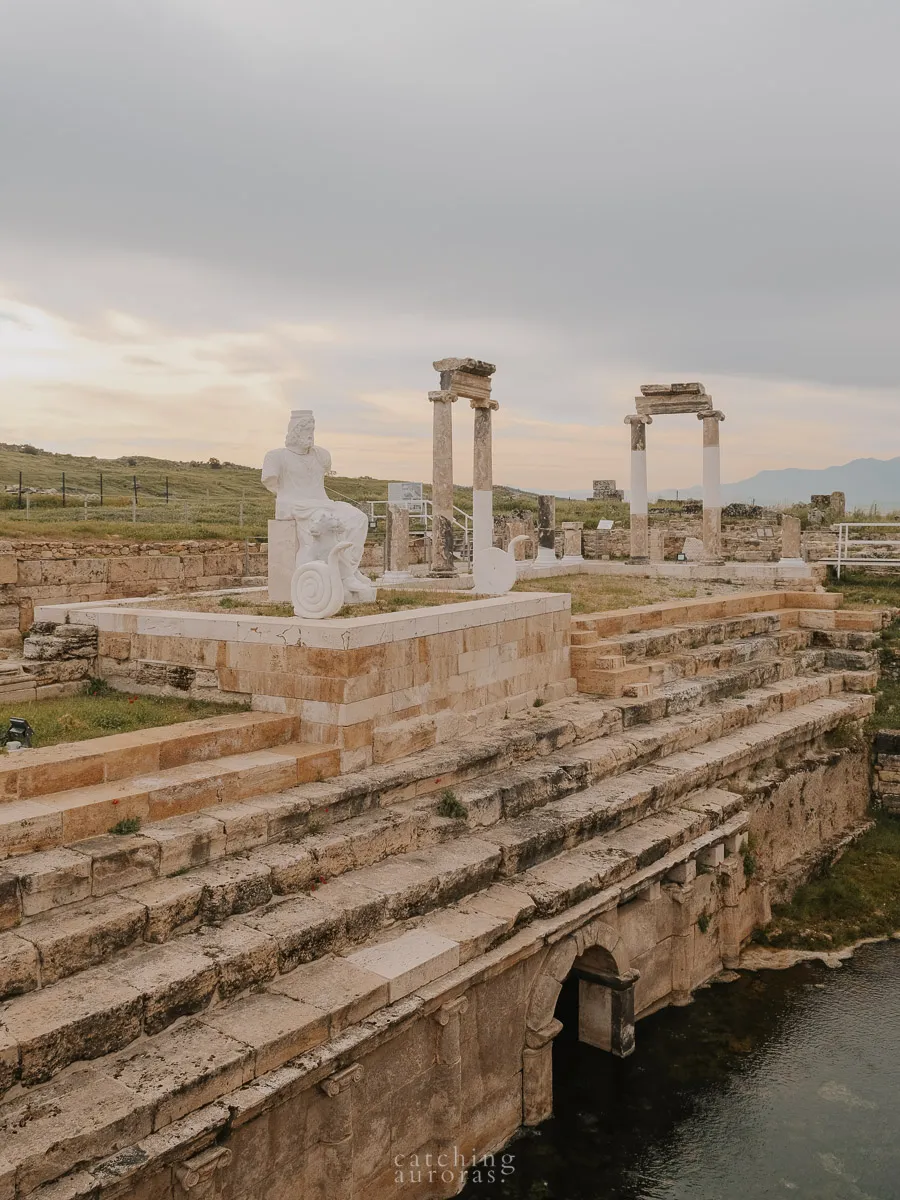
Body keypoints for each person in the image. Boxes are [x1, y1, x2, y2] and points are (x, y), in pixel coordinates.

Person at [262, 410, 375, 601]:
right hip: (295, 503)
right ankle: (343, 576)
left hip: (322, 502)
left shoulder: (321, 455)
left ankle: (349, 570)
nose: (310, 434)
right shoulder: (276, 457)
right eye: (306, 430)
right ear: (294, 432)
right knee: (325, 523)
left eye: (312, 430)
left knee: (358, 518)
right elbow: (273, 485)